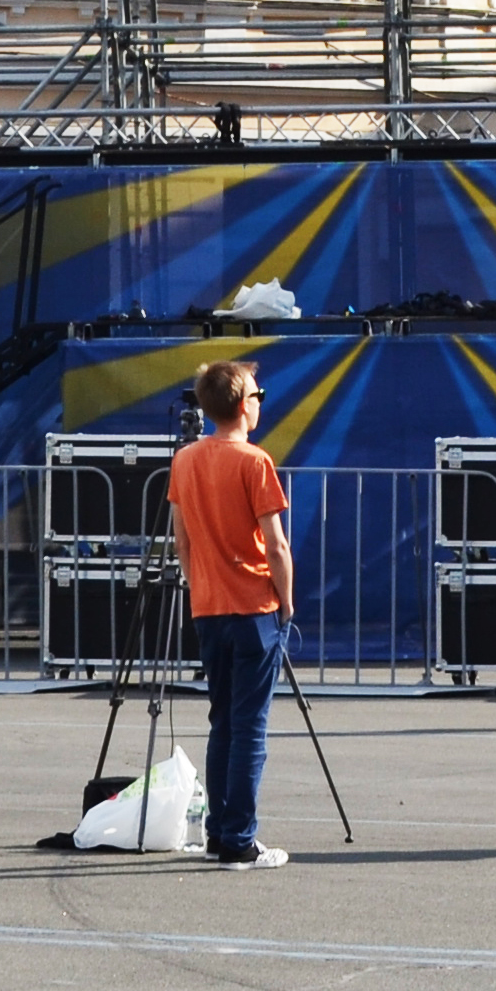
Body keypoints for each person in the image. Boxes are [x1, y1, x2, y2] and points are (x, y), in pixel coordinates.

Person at [163, 357, 297, 870]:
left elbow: (182, 540)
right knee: (250, 727)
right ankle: (239, 838)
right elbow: (276, 543)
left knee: (222, 721)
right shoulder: (254, 462)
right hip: (254, 608)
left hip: (210, 607)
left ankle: (221, 831)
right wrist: (286, 600)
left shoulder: (185, 460)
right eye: (258, 395)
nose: (261, 402)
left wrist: (201, 588)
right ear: (244, 405)